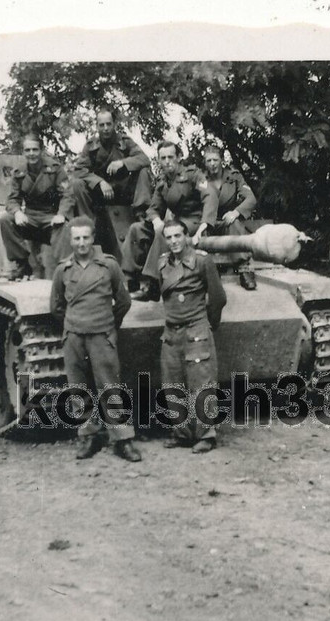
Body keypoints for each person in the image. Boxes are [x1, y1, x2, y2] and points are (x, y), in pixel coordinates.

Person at [49, 216, 142, 462]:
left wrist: (107, 325)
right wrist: (75, 324)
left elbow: (123, 301)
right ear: (71, 240)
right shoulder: (63, 269)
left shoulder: (108, 265)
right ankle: (89, 435)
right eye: (76, 238)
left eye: (85, 237)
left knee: (110, 386)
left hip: (102, 334)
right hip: (75, 336)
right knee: (79, 388)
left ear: (93, 238)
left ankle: (122, 439)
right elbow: (56, 307)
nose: (81, 243)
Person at [157, 219, 227, 454]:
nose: (174, 241)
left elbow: (218, 298)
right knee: (172, 384)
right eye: (169, 237)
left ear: (186, 236)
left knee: (201, 385)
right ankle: (182, 433)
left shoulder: (202, 261)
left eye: (178, 235)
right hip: (171, 331)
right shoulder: (162, 263)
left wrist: (207, 324)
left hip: (195, 329)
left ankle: (206, 435)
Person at [120, 140, 218, 300]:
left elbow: (210, 196)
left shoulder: (192, 175)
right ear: (159, 160)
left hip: (194, 221)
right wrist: (156, 220)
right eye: (163, 158)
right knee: (136, 229)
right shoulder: (163, 181)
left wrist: (205, 224)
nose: (167, 161)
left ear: (178, 157)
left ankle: (152, 285)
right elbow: (153, 208)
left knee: (166, 233)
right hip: (176, 222)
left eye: (170, 157)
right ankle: (131, 279)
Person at [0, 134, 74, 280]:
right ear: (23, 152)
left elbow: (67, 195)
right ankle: (22, 265)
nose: (31, 154)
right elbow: (13, 198)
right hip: (30, 218)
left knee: (65, 226)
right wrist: (17, 212)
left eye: (35, 149)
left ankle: (65, 269)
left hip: (50, 217)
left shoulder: (55, 169)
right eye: (27, 150)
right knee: (5, 220)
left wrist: (61, 214)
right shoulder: (19, 173)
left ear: (42, 150)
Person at [69, 107, 153, 223]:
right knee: (77, 183)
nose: (106, 128)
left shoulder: (125, 141)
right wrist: (99, 182)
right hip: (101, 193)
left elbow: (144, 159)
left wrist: (123, 162)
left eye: (108, 124)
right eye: (102, 125)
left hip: (123, 191)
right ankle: (86, 222)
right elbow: (79, 170)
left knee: (143, 171)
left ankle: (141, 214)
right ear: (97, 126)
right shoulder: (91, 146)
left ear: (114, 124)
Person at [202, 144, 259, 290]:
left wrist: (236, 212)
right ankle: (206, 273)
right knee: (200, 229)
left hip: (227, 221)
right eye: (209, 160)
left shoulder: (233, 177)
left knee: (235, 224)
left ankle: (244, 270)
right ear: (205, 162)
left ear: (221, 160)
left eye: (215, 160)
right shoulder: (200, 179)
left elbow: (251, 198)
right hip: (208, 220)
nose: (212, 164)